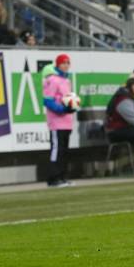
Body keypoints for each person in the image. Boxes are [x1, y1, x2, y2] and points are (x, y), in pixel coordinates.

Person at [43, 54, 76, 187]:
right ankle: (53, 178)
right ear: (57, 64)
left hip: (67, 122)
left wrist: (71, 107)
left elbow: (66, 99)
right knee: (57, 150)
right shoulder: (52, 80)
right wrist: (63, 109)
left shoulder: (66, 81)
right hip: (56, 122)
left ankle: (62, 176)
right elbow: (48, 100)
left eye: (68, 62)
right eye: (63, 63)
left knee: (64, 151)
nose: (66, 65)